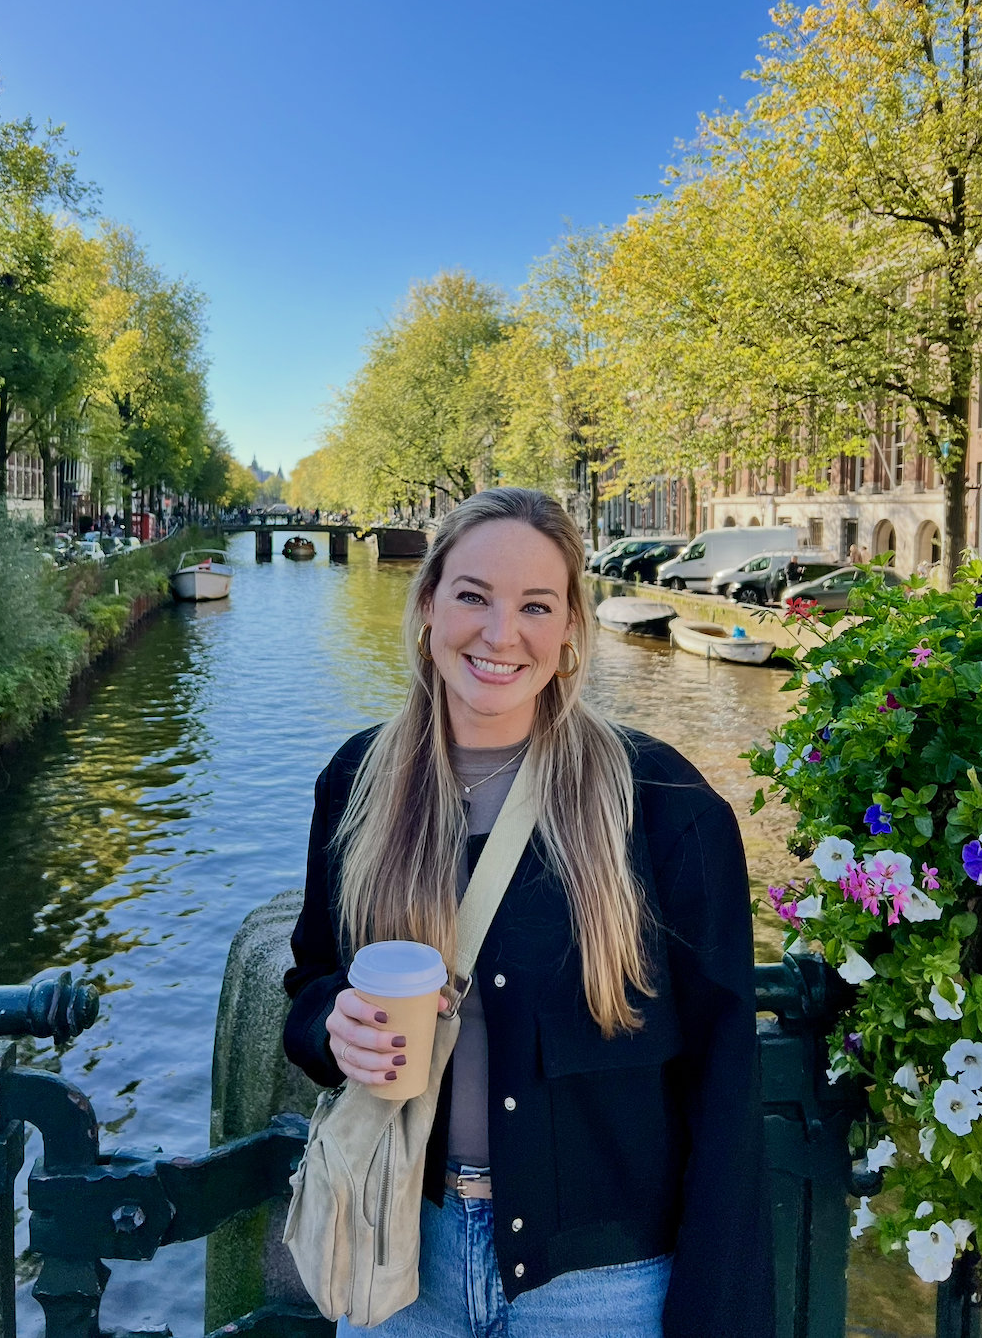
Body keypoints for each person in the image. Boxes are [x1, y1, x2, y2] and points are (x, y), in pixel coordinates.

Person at [283, 487, 771, 1338]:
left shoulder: (662, 807)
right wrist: (334, 1025)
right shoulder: (356, 783)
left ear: (571, 625)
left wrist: (718, 1312)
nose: (501, 634)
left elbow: (725, 1074)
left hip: (605, 1287)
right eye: (473, 595)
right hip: (401, 1254)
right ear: (429, 601)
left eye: (536, 606)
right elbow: (311, 980)